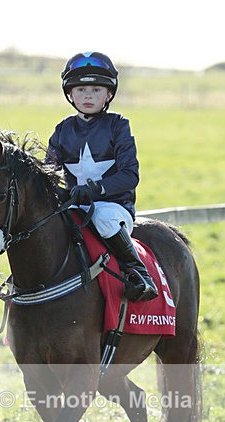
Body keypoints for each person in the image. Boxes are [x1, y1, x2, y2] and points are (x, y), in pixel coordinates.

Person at [46, 52, 158, 302]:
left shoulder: (118, 125)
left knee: (103, 217)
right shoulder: (62, 130)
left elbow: (130, 176)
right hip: (75, 205)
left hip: (114, 207)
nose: (88, 96)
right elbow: (48, 172)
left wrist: (95, 190)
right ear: (70, 94)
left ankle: (139, 273)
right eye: (81, 89)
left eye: (96, 89)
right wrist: (57, 192)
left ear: (109, 95)